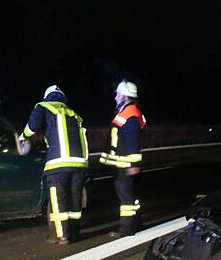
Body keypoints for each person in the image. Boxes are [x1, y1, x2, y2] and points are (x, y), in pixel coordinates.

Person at [21, 85, 88, 244]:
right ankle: (74, 232)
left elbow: (32, 127)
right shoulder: (74, 115)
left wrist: (23, 137)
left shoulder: (43, 107)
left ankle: (62, 236)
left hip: (58, 165)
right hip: (79, 164)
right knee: (74, 200)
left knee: (59, 201)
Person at [99, 80, 146, 236]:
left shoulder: (130, 114)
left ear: (125, 96)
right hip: (123, 163)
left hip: (125, 165)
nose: (115, 97)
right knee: (131, 196)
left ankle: (126, 229)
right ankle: (136, 223)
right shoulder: (128, 112)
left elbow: (132, 139)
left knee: (126, 198)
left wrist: (133, 164)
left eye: (118, 94)